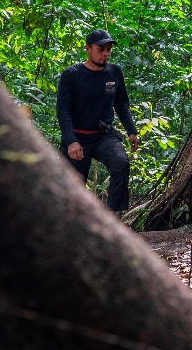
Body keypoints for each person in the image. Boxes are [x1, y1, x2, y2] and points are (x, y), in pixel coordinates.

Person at [56, 29, 140, 213]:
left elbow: (121, 103)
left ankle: (114, 217)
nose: (105, 54)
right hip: (77, 137)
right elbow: (63, 111)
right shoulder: (72, 75)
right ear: (87, 48)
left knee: (121, 163)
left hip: (103, 136)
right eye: (101, 49)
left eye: (108, 50)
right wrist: (71, 141)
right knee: (72, 185)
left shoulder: (114, 72)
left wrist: (131, 131)